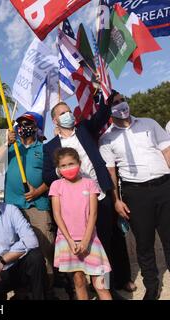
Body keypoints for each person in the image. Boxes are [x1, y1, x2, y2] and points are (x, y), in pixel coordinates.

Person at [43, 95, 135, 298]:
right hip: (74, 207)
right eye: (62, 113)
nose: (68, 114)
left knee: (106, 245)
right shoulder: (49, 147)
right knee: (79, 252)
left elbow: (101, 116)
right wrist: (64, 169)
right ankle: (83, 287)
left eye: (69, 111)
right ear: (55, 120)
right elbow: (47, 176)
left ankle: (107, 286)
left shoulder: (84, 129)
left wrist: (102, 94)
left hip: (99, 196)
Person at [99, 92, 170, 300]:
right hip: (135, 194)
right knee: (145, 243)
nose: (122, 105)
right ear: (108, 110)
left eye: (122, 100)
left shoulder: (149, 123)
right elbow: (111, 173)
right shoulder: (107, 139)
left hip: (164, 186)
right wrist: (116, 200)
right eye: (115, 103)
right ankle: (152, 285)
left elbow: (167, 152)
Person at [49, 147, 112, 300]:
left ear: (79, 163)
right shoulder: (56, 186)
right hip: (67, 241)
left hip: (90, 239)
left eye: (71, 163)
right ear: (58, 168)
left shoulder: (89, 184)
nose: (67, 168)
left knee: (101, 283)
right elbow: (57, 215)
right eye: (63, 166)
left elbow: (93, 214)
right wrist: (70, 241)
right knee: (78, 280)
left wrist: (85, 240)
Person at [4, 112, 55, 295]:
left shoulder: (44, 149)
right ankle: (22, 290)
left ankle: (46, 290)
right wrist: (5, 144)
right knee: (17, 250)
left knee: (44, 250)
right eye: (21, 123)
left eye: (28, 123)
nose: (23, 126)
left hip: (37, 206)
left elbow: (52, 177)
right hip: (13, 207)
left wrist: (38, 191)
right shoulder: (11, 148)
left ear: (35, 127)